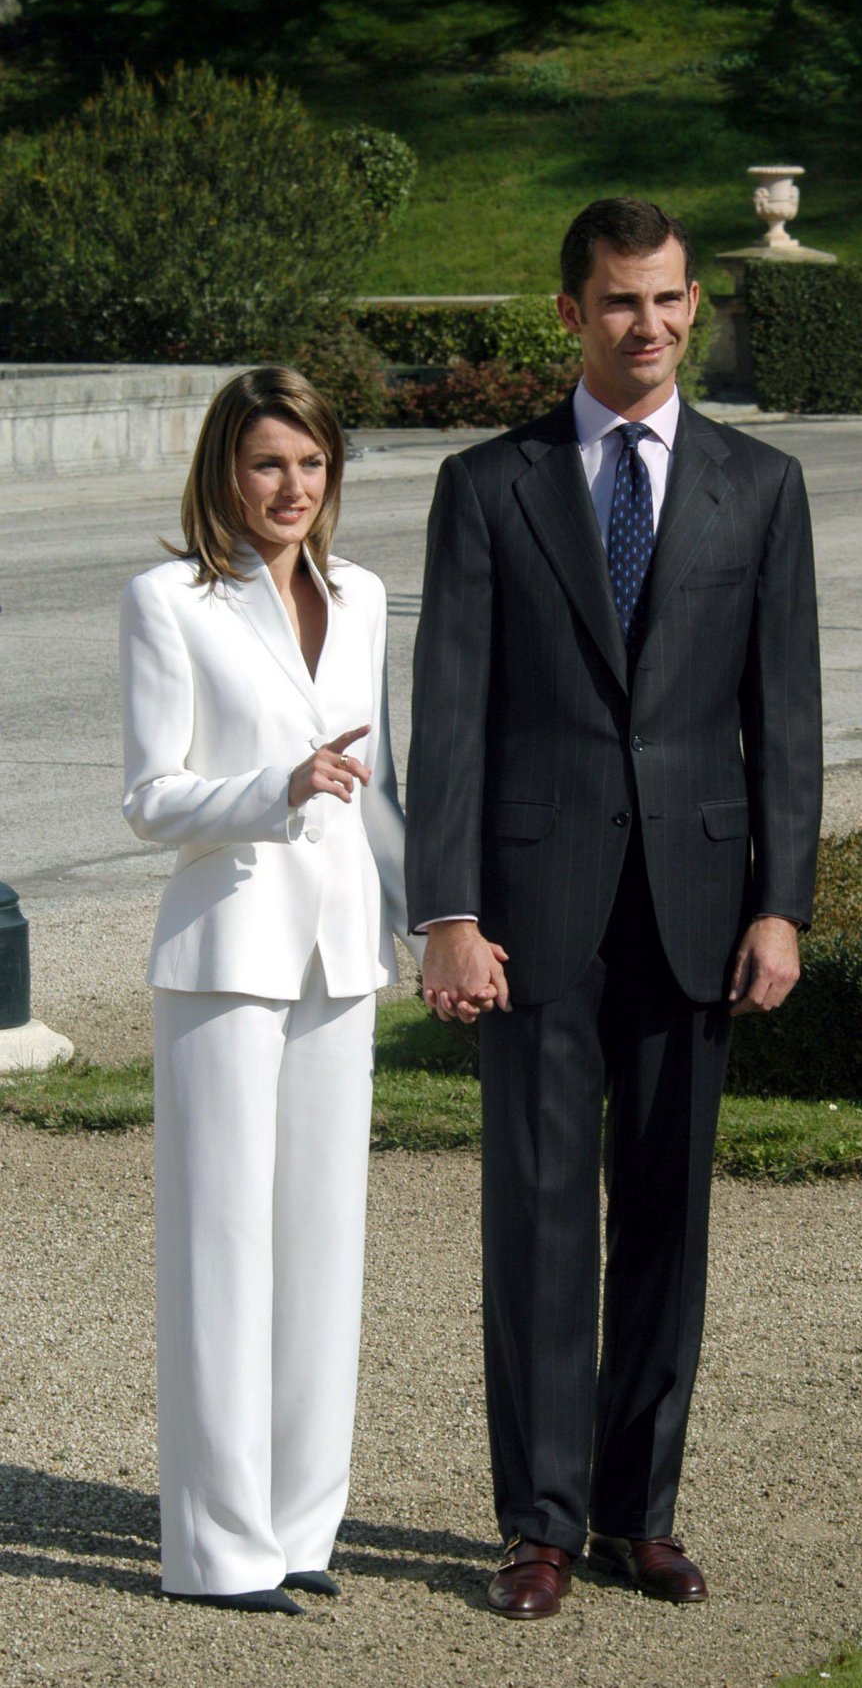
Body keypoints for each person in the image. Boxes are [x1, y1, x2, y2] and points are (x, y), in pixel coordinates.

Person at [405, 198, 822, 1619]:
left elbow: (789, 718)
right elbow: (447, 712)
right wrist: (447, 909)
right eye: (618, 302)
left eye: (668, 301)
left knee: (667, 1215)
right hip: (530, 909)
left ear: (694, 304)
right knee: (533, 1217)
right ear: (570, 310)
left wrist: (783, 905)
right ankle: (537, 1518)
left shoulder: (761, 488)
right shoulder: (489, 483)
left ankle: (640, 1509)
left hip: (698, 909)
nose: (646, 326)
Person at [120, 366, 412, 1614]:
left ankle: (301, 1526)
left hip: (339, 955)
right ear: (222, 475)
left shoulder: (363, 595)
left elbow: (380, 785)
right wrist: (272, 789)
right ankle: (216, 1549)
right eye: (265, 465)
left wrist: (424, 926)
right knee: (222, 1252)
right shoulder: (167, 602)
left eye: (310, 464)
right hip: (225, 954)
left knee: (321, 1249)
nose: (291, 488)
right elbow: (149, 796)